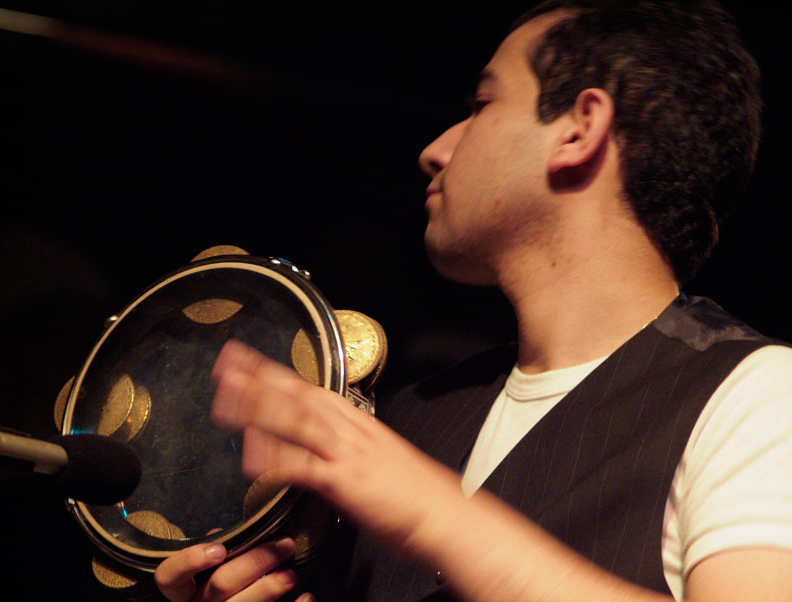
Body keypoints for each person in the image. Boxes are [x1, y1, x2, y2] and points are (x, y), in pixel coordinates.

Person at [154, 1, 792, 600]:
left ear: (579, 129)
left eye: (484, 104)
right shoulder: (416, 417)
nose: (435, 150)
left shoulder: (757, 394)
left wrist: (429, 510)